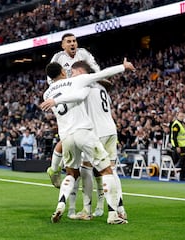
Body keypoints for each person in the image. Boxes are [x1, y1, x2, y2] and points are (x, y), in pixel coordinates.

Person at [41, 58, 135, 224]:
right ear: (63, 71)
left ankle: (68, 206)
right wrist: (123, 67)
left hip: (68, 136)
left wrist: (55, 100)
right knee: (108, 171)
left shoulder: (46, 94)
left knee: (73, 173)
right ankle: (115, 213)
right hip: (93, 130)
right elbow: (103, 74)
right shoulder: (77, 82)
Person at [46, 32, 104, 218]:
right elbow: (51, 78)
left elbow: (96, 69)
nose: (73, 44)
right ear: (63, 45)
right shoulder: (58, 58)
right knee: (80, 165)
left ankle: (96, 206)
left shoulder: (84, 54)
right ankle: (55, 172)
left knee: (87, 167)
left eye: (74, 41)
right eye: (69, 42)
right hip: (71, 101)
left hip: (86, 97)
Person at [170, 111, 185, 180]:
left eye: (183, 116)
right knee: (179, 161)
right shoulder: (176, 125)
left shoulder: (182, 124)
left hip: (183, 145)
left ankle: (182, 176)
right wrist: (177, 146)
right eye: (180, 116)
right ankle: (173, 174)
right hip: (178, 146)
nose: (182, 117)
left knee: (183, 161)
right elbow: (174, 137)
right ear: (177, 116)